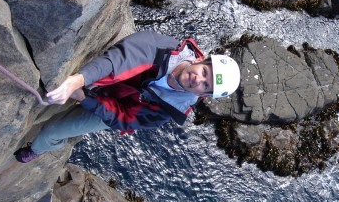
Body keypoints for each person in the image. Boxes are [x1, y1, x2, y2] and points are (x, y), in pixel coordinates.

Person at [14, 30, 240, 163]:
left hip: (112, 106)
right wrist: (78, 81)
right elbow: (117, 61)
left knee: (52, 131)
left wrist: (85, 98)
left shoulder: (173, 109)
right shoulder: (158, 48)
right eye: (204, 73)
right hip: (105, 81)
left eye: (205, 85)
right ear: (202, 60)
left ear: (203, 94)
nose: (197, 80)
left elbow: (125, 118)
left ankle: (36, 150)